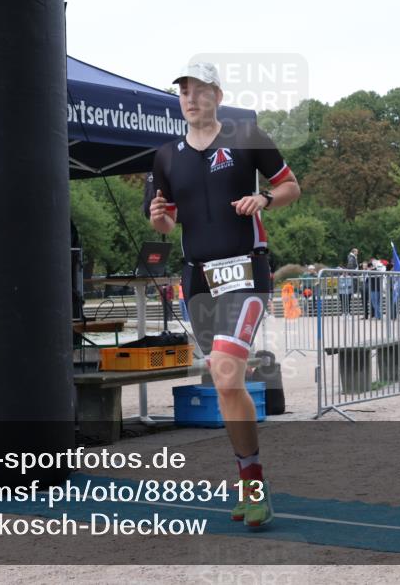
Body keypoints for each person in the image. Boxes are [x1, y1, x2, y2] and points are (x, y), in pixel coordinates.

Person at [149, 61, 300, 528]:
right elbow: (166, 220)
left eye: (199, 90)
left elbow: (291, 185)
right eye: (183, 92)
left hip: (246, 272)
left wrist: (265, 200)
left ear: (217, 93)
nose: (191, 98)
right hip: (197, 279)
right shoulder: (165, 156)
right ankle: (250, 475)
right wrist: (159, 218)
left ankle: (253, 486)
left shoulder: (246, 134)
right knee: (224, 381)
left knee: (225, 370)